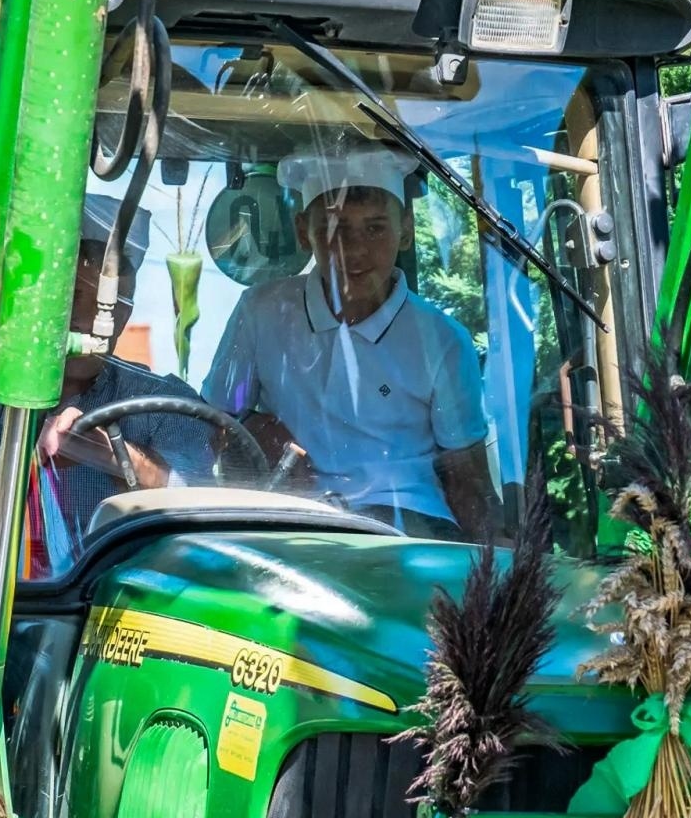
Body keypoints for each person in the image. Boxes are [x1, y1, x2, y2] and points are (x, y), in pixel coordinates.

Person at [202, 146, 498, 541]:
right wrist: (251, 427)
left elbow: (467, 481)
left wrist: (499, 553)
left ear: (406, 230)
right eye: (335, 228)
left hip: (410, 525)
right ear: (303, 231)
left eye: (375, 228)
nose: (356, 250)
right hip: (293, 518)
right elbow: (215, 423)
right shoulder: (260, 311)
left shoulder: (443, 340)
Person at [26, 194, 210, 571]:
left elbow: (203, 512)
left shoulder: (164, 404)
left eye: (107, 306)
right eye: (75, 296)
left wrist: (114, 456)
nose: (86, 319)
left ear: (123, 315)